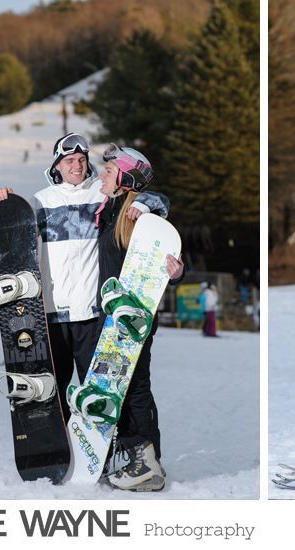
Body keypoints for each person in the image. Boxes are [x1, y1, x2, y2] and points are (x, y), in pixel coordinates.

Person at [0, 132, 163, 421]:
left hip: (92, 315)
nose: (77, 166)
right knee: (53, 390)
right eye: (69, 160)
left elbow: (150, 196)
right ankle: (59, 448)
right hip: (51, 315)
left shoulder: (102, 193)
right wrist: (4, 202)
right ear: (56, 165)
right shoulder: (39, 202)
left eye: (82, 159)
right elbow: (11, 235)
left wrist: (145, 203)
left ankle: (98, 454)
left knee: (97, 391)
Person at [91, 143, 182, 491]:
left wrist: (176, 272)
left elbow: (161, 255)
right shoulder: (112, 209)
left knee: (135, 388)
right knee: (122, 388)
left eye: (110, 171)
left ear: (126, 179)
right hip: (112, 317)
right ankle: (133, 457)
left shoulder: (138, 217)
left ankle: (147, 464)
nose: (103, 173)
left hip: (132, 319)